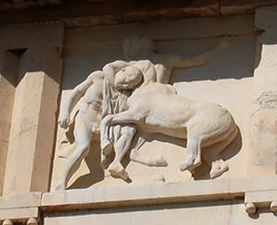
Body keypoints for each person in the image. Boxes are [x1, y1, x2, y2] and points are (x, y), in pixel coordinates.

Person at [100, 35, 236, 180]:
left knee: (194, 130)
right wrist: (220, 48)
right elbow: (196, 60)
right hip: (158, 112)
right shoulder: (164, 60)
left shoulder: (135, 65)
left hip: (160, 105)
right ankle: (217, 164)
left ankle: (192, 158)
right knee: (135, 131)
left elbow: (108, 69)